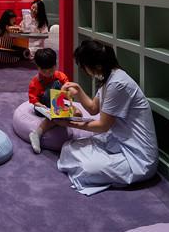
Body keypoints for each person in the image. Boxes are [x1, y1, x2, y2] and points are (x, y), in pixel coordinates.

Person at [57, 38, 158, 195]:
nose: (85, 70)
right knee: (69, 147)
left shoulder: (118, 83)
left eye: (84, 66)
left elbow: (102, 126)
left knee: (88, 169)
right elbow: (93, 108)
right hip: (118, 141)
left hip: (137, 156)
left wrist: (68, 123)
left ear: (97, 66)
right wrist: (78, 90)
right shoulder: (109, 78)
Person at [27, 48, 79, 154]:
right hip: (43, 107)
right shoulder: (35, 82)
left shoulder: (61, 76)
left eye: (50, 70)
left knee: (78, 113)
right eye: (43, 71)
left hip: (57, 104)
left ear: (55, 65)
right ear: (38, 67)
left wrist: (70, 92)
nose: (47, 73)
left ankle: (55, 120)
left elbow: (68, 90)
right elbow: (33, 100)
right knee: (55, 90)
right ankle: (37, 133)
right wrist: (41, 106)